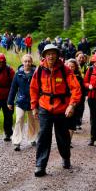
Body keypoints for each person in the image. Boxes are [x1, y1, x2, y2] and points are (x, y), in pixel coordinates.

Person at [30, 44, 82, 177]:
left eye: (53, 53)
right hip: (44, 107)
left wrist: (72, 105)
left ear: (57, 55)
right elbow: (34, 89)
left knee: (62, 136)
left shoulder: (65, 70)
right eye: (48, 54)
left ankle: (66, 157)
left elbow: (76, 88)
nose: (51, 56)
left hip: (61, 108)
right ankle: (40, 166)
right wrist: (34, 107)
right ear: (44, 56)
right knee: (43, 136)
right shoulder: (39, 70)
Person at [7, 54, 39, 151]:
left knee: (32, 121)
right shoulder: (18, 74)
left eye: (29, 61)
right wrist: (10, 101)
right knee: (19, 119)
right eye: (25, 61)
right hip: (20, 101)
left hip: (32, 102)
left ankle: (33, 139)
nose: (27, 63)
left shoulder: (36, 73)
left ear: (31, 62)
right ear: (22, 62)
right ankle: (17, 142)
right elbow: (13, 88)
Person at [65, 58, 86, 132]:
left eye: (72, 66)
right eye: (69, 66)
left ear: (75, 67)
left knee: (72, 123)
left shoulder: (79, 78)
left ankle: (68, 142)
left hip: (75, 103)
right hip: (64, 101)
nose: (70, 68)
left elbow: (82, 91)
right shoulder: (63, 77)